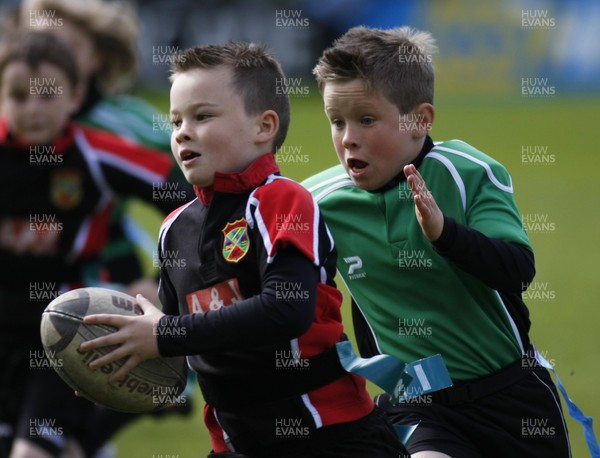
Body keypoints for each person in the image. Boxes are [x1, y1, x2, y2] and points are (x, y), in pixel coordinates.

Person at [79, 41, 407, 458]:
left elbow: (286, 310)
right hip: (236, 444)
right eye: (176, 119)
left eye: (203, 116)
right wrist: (106, 365)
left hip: (329, 436)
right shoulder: (174, 229)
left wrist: (165, 334)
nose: (181, 131)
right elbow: (180, 351)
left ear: (263, 127)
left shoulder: (282, 201)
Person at [302, 26, 572, 458]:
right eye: (337, 121)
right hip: (417, 407)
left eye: (366, 120)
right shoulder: (317, 203)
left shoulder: (469, 173)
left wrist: (445, 234)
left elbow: (517, 270)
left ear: (420, 120)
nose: (347, 137)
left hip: (511, 395)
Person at [0, 30, 186, 458]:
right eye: (16, 95)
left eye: (47, 96)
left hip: (66, 332)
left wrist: (162, 283)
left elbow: (195, 212)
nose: (31, 109)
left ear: (76, 95)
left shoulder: (99, 155)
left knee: (33, 452)